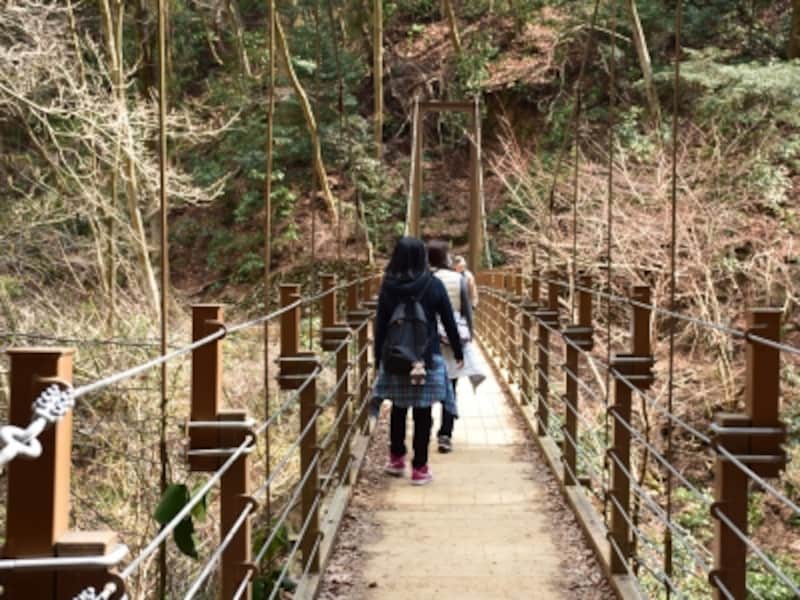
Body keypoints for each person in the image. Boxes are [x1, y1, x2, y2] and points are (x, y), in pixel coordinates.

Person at [373, 237, 464, 485]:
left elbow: (381, 324)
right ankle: (420, 468)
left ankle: (396, 459)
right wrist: (458, 351)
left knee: (398, 408)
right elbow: (448, 320)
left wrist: (377, 358)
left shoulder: (388, 285)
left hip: (395, 358)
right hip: (427, 358)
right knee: (423, 413)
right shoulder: (433, 284)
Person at [427, 241, 472, 453]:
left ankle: (424, 429)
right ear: (446, 258)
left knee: (426, 386)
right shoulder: (458, 279)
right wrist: (465, 344)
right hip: (451, 339)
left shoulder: (423, 280)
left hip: (428, 341)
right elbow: (466, 312)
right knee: (451, 387)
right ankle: (445, 434)